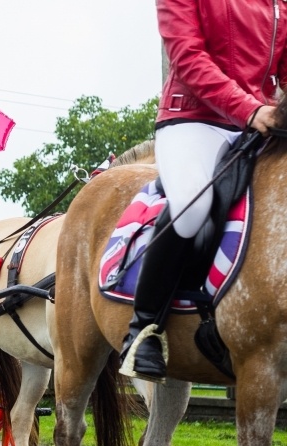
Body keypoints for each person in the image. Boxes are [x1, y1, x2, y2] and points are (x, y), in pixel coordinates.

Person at [119, 0, 287, 383]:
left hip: (261, 123)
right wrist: (249, 108)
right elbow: (189, 58)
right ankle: (145, 327)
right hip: (195, 120)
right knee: (193, 206)